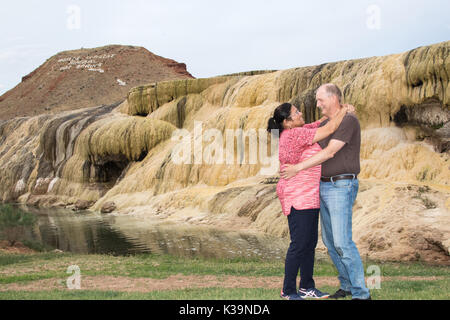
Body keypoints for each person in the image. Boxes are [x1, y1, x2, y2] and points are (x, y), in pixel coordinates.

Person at [280, 84, 371, 300]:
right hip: (323, 186)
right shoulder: (327, 122)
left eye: (320, 100)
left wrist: (298, 169)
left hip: (341, 185)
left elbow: (330, 152)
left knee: (342, 242)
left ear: (333, 99)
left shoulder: (348, 120)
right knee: (331, 243)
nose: (317, 104)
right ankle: (347, 286)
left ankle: (361, 294)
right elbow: (320, 128)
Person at [267, 101, 350, 300]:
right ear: (287, 123)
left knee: (309, 242)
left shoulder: (299, 129)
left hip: (309, 195)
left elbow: (318, 124)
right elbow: (329, 129)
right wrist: (345, 111)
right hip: (297, 195)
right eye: (296, 113)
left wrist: (331, 113)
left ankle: (306, 286)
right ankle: (287, 291)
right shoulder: (293, 135)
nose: (300, 113)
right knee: (299, 244)